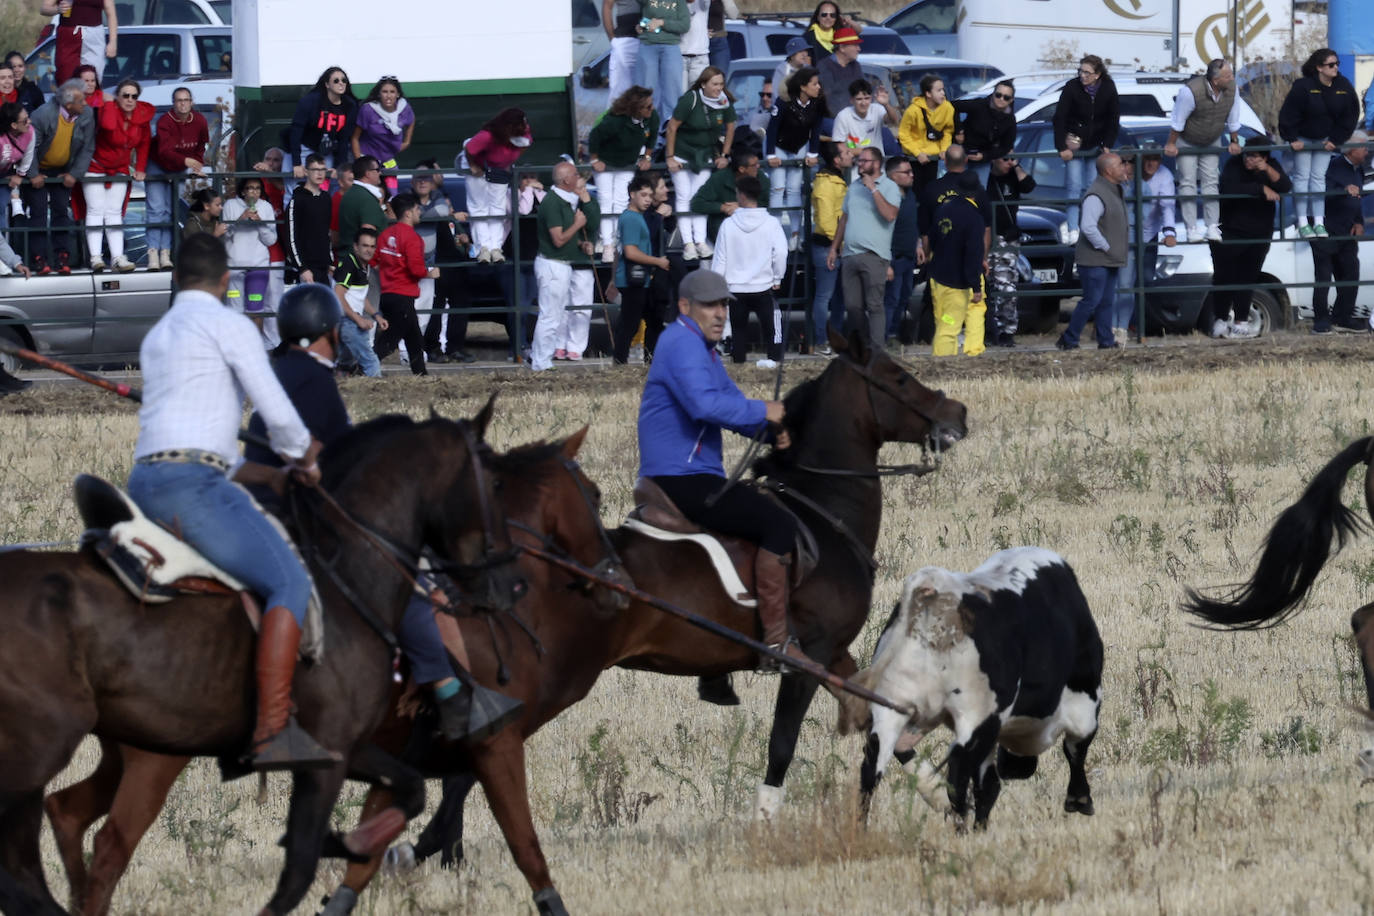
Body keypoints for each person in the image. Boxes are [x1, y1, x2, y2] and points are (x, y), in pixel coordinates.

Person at [242, 283, 517, 742]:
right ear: (330, 332)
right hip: (298, 512)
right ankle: (448, 692)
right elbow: (340, 464)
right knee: (403, 581)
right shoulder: (315, 380)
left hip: (266, 506)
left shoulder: (280, 373)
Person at [125, 232, 335, 771]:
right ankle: (271, 732)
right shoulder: (230, 325)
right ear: (226, 281)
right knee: (289, 581)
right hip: (193, 488)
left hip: (145, 481)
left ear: (177, 279)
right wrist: (304, 460)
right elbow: (280, 414)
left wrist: (273, 474)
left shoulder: (158, 336)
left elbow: (210, 447)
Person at [636, 268, 804, 665]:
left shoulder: (703, 351)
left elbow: (731, 407)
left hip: (691, 476)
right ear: (684, 307)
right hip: (681, 480)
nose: (720, 314)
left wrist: (769, 431)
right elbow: (704, 406)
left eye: (724, 306)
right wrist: (766, 409)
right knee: (779, 524)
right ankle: (777, 643)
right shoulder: (681, 344)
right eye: (709, 305)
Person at [1279, 49, 1359, 239]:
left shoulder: (1343, 85)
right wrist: (1292, 138)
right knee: (1301, 177)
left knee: (1318, 179)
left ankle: (1319, 222)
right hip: (1304, 139)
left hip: (1325, 140)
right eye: (1331, 65)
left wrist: (1336, 140)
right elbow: (1288, 113)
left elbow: (1350, 115)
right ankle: (1303, 222)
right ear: (1319, 68)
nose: (1336, 68)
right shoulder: (1303, 86)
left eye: (1337, 64)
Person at [1210, 147, 1290, 339]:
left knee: (1247, 278)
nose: (1248, 159)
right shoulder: (1233, 164)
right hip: (1230, 232)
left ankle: (1241, 322)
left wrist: (1267, 171)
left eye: (1254, 156)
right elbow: (1227, 188)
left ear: (1264, 158)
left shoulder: (1272, 167)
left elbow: (1285, 186)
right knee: (1223, 277)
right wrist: (1260, 188)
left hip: (1259, 235)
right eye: (1247, 155)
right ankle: (1220, 319)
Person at [710, 174, 787, 367]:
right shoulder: (771, 223)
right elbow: (781, 253)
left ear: (741, 196)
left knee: (738, 331)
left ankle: (739, 366)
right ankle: (775, 362)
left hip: (735, 287)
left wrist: (717, 287)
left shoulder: (728, 225)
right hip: (763, 285)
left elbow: (720, 259)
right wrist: (778, 277)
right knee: (772, 330)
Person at [1163, 59, 1242, 243]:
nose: (1232, 78)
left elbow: (1234, 117)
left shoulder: (1232, 89)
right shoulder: (1190, 91)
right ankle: (1191, 228)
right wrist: (1172, 144)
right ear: (1215, 80)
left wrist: (1234, 140)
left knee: (1211, 181)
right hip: (1187, 139)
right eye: (1228, 75)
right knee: (1188, 182)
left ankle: (1212, 226)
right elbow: (1178, 120)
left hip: (1212, 138)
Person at [827, 146, 900, 344]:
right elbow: (844, 218)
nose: (860, 164)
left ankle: (877, 351)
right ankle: (861, 348)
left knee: (875, 305)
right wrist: (834, 248)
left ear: (877, 164)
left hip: (875, 256)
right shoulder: (853, 187)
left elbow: (890, 215)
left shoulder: (889, 187)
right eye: (859, 161)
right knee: (852, 307)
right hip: (850, 255)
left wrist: (873, 189)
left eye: (865, 161)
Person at [532, 160, 600, 370]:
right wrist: (578, 225)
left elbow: (566, 239)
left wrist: (580, 243)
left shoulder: (563, 201)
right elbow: (558, 239)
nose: (578, 177)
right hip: (553, 265)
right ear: (566, 180)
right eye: (574, 174)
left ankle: (541, 358)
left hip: (560, 264)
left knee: (553, 314)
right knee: (550, 316)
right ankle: (540, 362)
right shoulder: (553, 203)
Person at [1057, 153, 1128, 350]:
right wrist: (1106, 247)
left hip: (1107, 258)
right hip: (1095, 259)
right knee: (1092, 300)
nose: (1124, 168)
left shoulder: (1113, 190)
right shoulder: (1096, 194)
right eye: (1120, 165)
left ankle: (1105, 340)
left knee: (1105, 301)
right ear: (1108, 171)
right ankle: (1070, 338)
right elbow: (1088, 227)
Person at [84, 77, 152, 273]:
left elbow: (144, 143)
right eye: (125, 96)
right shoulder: (109, 110)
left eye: (134, 96)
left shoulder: (142, 116)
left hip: (120, 167)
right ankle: (95, 257)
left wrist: (140, 167)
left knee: (114, 212)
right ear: (118, 97)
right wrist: (110, 104)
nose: (130, 100)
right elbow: (107, 126)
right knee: (96, 210)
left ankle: (117, 257)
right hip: (96, 166)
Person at [24, 79, 91, 276]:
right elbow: (30, 147)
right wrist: (34, 174)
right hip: (38, 168)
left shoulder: (85, 115)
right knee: (38, 211)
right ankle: (39, 258)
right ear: (68, 104)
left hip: (63, 169)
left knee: (61, 210)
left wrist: (74, 173)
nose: (85, 104)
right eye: (81, 100)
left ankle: (62, 256)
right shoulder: (43, 115)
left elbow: (87, 148)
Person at [667, 66, 735, 259]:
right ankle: (688, 243)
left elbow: (730, 128)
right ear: (703, 84)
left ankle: (700, 240)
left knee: (699, 197)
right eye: (714, 84)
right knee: (683, 196)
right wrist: (670, 157)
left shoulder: (724, 101)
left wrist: (724, 154)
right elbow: (672, 127)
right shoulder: (691, 99)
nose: (718, 87)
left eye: (721, 84)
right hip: (682, 152)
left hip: (705, 154)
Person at [589, 86, 660, 263]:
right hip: (606, 163)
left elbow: (652, 139)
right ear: (636, 108)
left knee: (621, 200)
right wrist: (594, 160)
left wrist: (647, 157)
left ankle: (618, 241)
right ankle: (607, 244)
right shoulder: (616, 121)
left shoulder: (652, 118)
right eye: (647, 107)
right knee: (606, 201)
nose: (651, 109)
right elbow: (595, 136)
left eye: (651, 105)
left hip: (627, 164)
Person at [1053, 55, 1120, 240]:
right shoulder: (1072, 87)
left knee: (1092, 187)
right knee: (1074, 185)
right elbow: (1059, 118)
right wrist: (1061, 147)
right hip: (1074, 144)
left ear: (1098, 74)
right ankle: (1074, 228)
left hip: (1096, 146)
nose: (1083, 76)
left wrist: (1107, 144)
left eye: (1087, 72)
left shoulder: (1108, 88)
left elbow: (1113, 119)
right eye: (1080, 71)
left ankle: (1089, 225)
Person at [372, 191, 438, 376]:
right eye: (417, 209)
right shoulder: (413, 238)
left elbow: (374, 260)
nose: (419, 213)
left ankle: (420, 372)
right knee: (391, 338)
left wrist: (389, 271)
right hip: (403, 293)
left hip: (388, 292)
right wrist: (430, 273)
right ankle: (364, 367)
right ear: (408, 213)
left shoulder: (386, 235)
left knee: (413, 336)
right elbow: (416, 269)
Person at [1311, 131, 1369, 333]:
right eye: (1364, 147)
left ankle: (1343, 317)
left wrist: (1359, 222)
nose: (1367, 151)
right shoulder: (1332, 165)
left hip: (1346, 230)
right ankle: (1321, 321)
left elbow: (1357, 200)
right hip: (1326, 229)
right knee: (1324, 276)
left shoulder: (1359, 170)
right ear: (1352, 149)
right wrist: (1343, 188)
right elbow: (1321, 191)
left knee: (1351, 273)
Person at [145, 86, 209, 270]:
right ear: (173, 103)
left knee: (171, 209)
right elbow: (164, 151)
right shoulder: (165, 121)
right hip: (157, 165)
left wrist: (197, 164)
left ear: (192, 102)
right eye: (179, 100)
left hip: (180, 167)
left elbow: (201, 144)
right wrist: (187, 160)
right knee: (156, 209)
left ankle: (166, 253)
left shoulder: (200, 120)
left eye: (186, 100)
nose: (183, 104)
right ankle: (153, 253)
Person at [462, 107, 532, 263]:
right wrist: (473, 166)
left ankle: (496, 247)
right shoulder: (487, 136)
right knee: (479, 207)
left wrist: (509, 161)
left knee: (497, 207)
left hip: (498, 168)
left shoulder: (524, 130)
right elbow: (469, 149)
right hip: (477, 166)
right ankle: (483, 248)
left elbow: (526, 143)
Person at [614, 172, 670, 364]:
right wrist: (658, 262)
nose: (647, 200)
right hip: (633, 279)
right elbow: (630, 252)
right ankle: (620, 362)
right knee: (630, 324)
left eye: (650, 196)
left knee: (650, 320)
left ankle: (649, 359)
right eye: (643, 195)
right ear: (632, 194)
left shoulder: (634, 217)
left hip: (637, 278)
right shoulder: (631, 218)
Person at [929, 174, 987, 356]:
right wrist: (976, 286)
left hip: (938, 278)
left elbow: (932, 240)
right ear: (976, 192)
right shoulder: (974, 218)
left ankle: (944, 355)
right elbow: (972, 253)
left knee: (944, 320)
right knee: (952, 324)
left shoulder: (942, 210)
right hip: (956, 283)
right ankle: (948, 361)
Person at [765, 66, 824, 240]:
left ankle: (796, 234)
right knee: (777, 188)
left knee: (794, 190)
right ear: (803, 87)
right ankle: (775, 233)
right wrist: (770, 155)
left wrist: (813, 153)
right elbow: (772, 129)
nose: (818, 87)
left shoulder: (817, 103)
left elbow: (816, 129)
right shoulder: (784, 101)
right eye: (814, 84)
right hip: (779, 146)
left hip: (800, 145)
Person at [985, 153, 1034, 347]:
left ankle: (1007, 330)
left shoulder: (1014, 175)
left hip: (1006, 238)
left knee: (1006, 287)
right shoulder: (983, 176)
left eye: (1010, 158)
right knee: (985, 287)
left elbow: (1029, 186)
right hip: (984, 237)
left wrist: (1017, 166)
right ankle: (988, 330)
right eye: (1004, 158)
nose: (1008, 162)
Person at [410, 163, 456, 364]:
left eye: (426, 179)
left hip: (429, 263)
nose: (422, 182)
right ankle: (407, 354)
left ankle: (419, 351)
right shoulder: (405, 197)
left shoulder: (438, 198)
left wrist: (416, 216)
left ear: (432, 182)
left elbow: (442, 211)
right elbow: (400, 212)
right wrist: (426, 215)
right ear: (413, 182)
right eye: (419, 179)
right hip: (409, 264)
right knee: (410, 309)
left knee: (427, 311)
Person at [810, 140, 850, 353]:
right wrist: (837, 245)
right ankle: (820, 341)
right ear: (836, 160)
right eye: (845, 152)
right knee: (825, 295)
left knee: (838, 297)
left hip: (836, 245)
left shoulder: (836, 180)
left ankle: (834, 338)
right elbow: (826, 222)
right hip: (828, 246)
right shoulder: (826, 183)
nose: (850, 154)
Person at [223, 175, 277, 329]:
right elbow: (226, 234)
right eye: (250, 188)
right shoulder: (230, 205)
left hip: (257, 267)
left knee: (256, 308)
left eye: (257, 188)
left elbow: (271, 240)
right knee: (234, 309)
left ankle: (255, 348)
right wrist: (240, 219)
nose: (254, 192)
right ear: (243, 191)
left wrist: (261, 224)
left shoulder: (266, 207)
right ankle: (235, 349)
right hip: (234, 267)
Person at [333, 227, 388, 376]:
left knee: (345, 364)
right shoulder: (349, 265)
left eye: (372, 246)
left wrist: (376, 315)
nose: (368, 250)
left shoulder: (364, 266)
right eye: (364, 246)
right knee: (371, 361)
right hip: (348, 321)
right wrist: (359, 320)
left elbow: (359, 297)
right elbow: (338, 295)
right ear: (355, 246)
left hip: (350, 320)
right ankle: (377, 394)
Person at [688, 150, 769, 251]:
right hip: (723, 226)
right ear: (742, 169)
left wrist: (742, 207)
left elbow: (766, 204)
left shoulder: (761, 178)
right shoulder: (719, 178)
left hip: (753, 224)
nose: (758, 166)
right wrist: (722, 207)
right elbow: (696, 203)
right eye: (754, 165)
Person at [288, 67, 357, 178]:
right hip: (304, 147)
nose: (341, 83)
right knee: (296, 182)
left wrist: (337, 166)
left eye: (344, 80)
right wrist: (296, 163)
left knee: (328, 182)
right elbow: (296, 130)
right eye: (336, 81)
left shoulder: (350, 105)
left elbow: (344, 139)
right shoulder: (310, 101)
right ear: (327, 84)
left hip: (326, 150)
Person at [351, 76, 415, 193]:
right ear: (379, 94)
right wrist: (360, 163)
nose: (388, 95)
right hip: (368, 160)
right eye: (385, 92)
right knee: (369, 193)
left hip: (388, 160)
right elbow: (355, 138)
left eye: (392, 92)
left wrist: (405, 143)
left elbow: (411, 121)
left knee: (392, 194)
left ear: (398, 94)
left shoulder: (405, 108)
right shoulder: (368, 109)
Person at [635, 0, 690, 128]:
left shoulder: (679, 2)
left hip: (671, 46)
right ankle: (645, 134)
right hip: (648, 44)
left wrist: (662, 22)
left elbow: (685, 25)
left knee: (673, 94)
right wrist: (643, 24)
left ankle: (670, 135)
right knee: (645, 92)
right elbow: (643, 17)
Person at [953, 79, 1017, 187]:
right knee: (953, 191)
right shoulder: (979, 104)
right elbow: (952, 106)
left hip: (982, 159)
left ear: (1011, 100)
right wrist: (959, 130)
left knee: (978, 194)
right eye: (998, 95)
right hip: (959, 153)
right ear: (993, 94)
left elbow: (1007, 146)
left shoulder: (1010, 119)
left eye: (1006, 97)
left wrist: (984, 156)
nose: (1001, 99)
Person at [881, 155, 917, 345]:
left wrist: (918, 244)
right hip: (893, 256)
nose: (912, 175)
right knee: (891, 299)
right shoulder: (887, 197)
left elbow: (913, 222)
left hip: (909, 255)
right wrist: (887, 262)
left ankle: (893, 334)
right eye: (906, 172)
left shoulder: (910, 194)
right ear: (893, 176)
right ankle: (884, 337)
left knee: (904, 297)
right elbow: (881, 230)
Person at [285, 154, 334, 286]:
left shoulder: (326, 198)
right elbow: (291, 237)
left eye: (323, 169)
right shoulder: (296, 200)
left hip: (324, 267)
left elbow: (327, 233)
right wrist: (302, 268)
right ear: (306, 171)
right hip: (306, 269)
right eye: (315, 170)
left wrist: (329, 261)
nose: (319, 173)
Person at [899, 75, 955, 191]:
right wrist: (917, 153)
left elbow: (948, 130)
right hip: (915, 158)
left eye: (943, 89)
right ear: (928, 94)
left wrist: (944, 149)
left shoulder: (948, 108)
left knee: (936, 192)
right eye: (939, 90)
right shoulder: (913, 110)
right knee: (917, 193)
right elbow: (904, 134)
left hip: (936, 158)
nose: (943, 93)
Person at [40, 0, 116, 84]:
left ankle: (91, 96)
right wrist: (58, 9)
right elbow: (44, 8)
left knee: (93, 77)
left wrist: (113, 42)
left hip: (94, 35)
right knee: (65, 77)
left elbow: (111, 14)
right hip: (68, 34)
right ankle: (69, 96)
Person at [336, 155, 387, 261]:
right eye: (377, 170)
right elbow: (368, 238)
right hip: (361, 265)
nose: (380, 173)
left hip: (347, 259)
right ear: (368, 174)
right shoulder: (367, 199)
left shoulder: (350, 193)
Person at [829, 78, 899, 152]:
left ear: (871, 98)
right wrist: (864, 153)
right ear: (851, 100)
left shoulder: (877, 109)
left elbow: (894, 121)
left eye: (867, 98)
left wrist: (886, 104)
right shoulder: (843, 116)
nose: (863, 103)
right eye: (859, 99)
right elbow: (839, 146)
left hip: (877, 160)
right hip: (854, 161)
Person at [0, 101, 34, 235]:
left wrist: (20, 175)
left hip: (5, 172)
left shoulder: (29, 131)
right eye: (25, 120)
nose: (29, 122)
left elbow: (28, 156)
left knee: (1, 208)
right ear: (13, 125)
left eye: (28, 117)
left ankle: (2, 253)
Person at [816, 26, 863, 123]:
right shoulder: (824, 66)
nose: (859, 49)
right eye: (855, 45)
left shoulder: (856, 66)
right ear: (842, 48)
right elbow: (829, 96)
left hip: (855, 119)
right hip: (832, 120)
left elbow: (863, 90)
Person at [604, 0, 643, 102]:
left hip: (649, 41)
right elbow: (607, 6)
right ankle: (616, 117)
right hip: (625, 40)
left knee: (646, 91)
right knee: (619, 91)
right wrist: (612, 37)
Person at [680, 0, 711, 90]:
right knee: (680, 98)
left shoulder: (702, 3)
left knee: (699, 96)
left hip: (700, 57)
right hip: (679, 56)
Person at [772, 37, 812, 104]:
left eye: (805, 50)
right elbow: (777, 96)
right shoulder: (781, 70)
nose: (804, 54)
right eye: (800, 51)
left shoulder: (809, 69)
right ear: (791, 55)